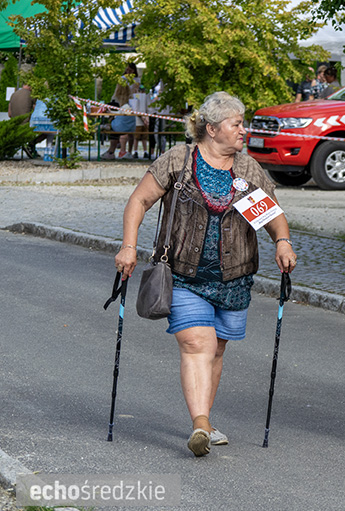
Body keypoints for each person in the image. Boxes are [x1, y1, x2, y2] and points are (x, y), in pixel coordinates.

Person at [114, 91, 298, 457]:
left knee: (217, 350)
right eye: (237, 124)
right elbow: (140, 200)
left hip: (234, 278)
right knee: (199, 343)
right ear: (212, 129)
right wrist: (129, 246)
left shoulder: (246, 170)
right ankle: (199, 423)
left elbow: (273, 214)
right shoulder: (179, 161)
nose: (243, 130)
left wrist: (283, 242)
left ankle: (207, 421)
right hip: (182, 274)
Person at [8, 84, 46, 157]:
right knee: (47, 132)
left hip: (14, 126)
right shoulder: (31, 95)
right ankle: (31, 144)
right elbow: (36, 112)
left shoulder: (13, 94)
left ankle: (29, 146)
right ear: (30, 85)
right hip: (26, 126)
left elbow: (9, 114)